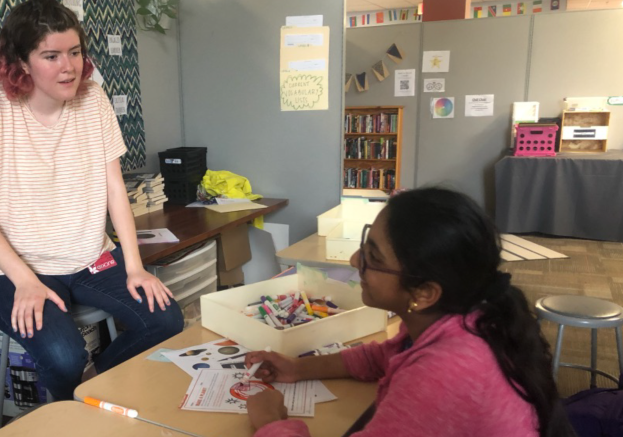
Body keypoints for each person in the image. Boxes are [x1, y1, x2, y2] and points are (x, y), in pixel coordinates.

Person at [0, 0, 183, 400]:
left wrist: (134, 267)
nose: (69, 66)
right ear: (21, 62)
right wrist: (24, 279)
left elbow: (116, 188)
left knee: (165, 319)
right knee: (63, 358)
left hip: (88, 258)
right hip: (12, 269)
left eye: (75, 52)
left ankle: (92, 387)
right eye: (52, 55)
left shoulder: (93, 99)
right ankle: (71, 411)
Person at [244, 187, 576, 437]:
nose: (355, 261)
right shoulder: (463, 315)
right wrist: (297, 369)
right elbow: (382, 357)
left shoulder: (446, 373)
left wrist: (271, 422)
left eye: (373, 257)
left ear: (424, 293)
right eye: (365, 244)